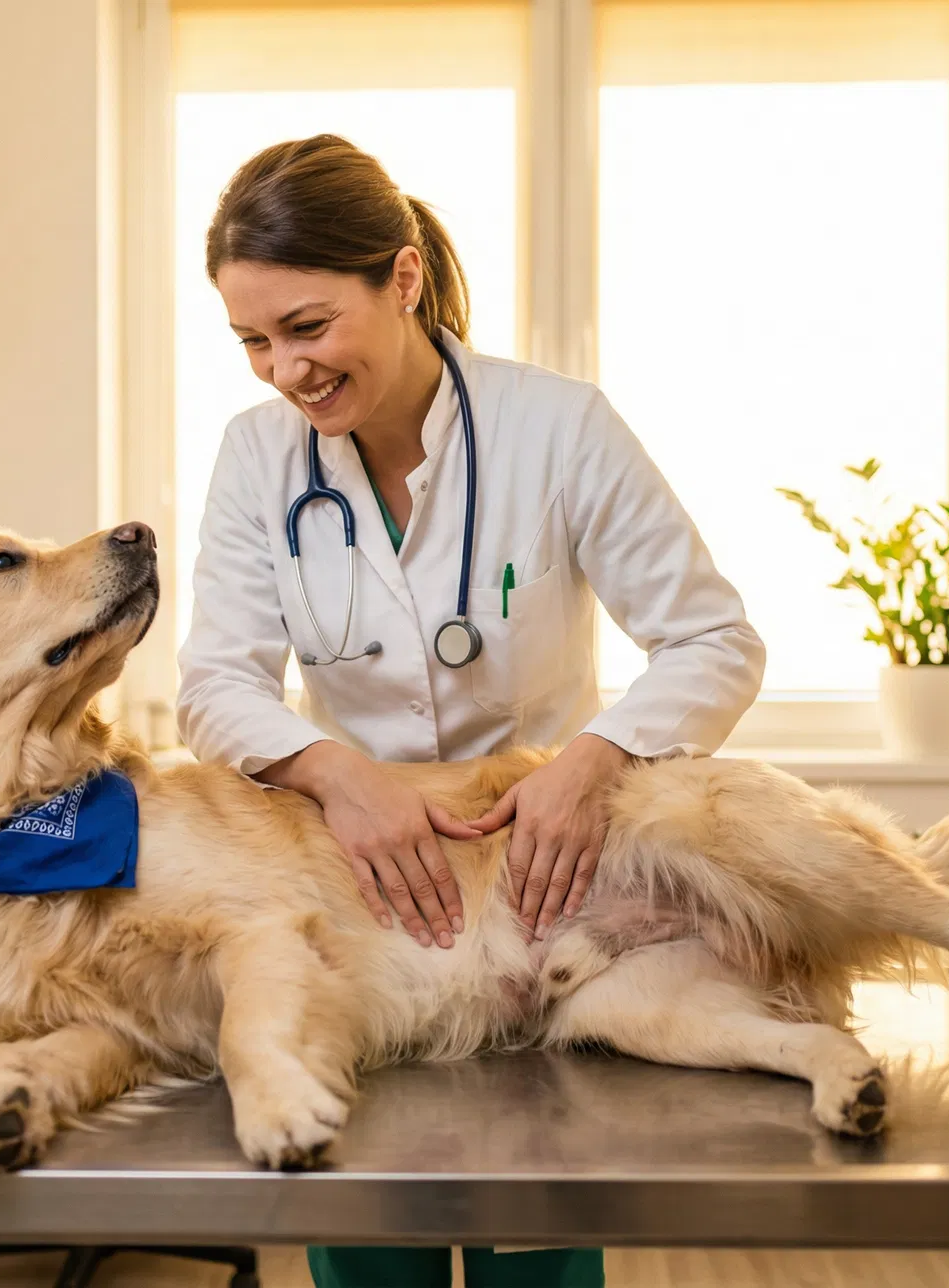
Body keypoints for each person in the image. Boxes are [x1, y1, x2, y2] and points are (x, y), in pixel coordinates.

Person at [175, 134, 765, 1288]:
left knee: (540, 1234)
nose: (283, 371)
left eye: (305, 328)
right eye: (252, 341)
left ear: (400, 279)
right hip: (358, 897)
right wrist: (340, 776)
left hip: (549, 884)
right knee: (368, 1235)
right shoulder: (257, 460)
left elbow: (713, 638)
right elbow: (217, 682)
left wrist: (593, 760)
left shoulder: (560, 428)